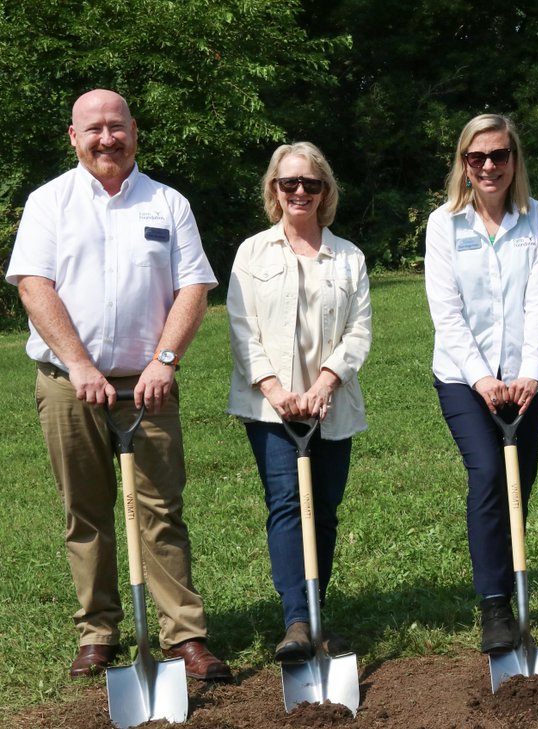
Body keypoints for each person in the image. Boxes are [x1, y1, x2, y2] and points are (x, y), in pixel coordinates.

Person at [5, 89, 231, 680]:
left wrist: (164, 361)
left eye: (117, 126)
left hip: (148, 387)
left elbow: (193, 288)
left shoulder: (168, 203)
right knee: (86, 511)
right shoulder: (49, 202)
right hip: (68, 383)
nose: (107, 138)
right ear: (73, 137)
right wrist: (80, 365)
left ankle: (184, 635)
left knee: (161, 510)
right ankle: (98, 633)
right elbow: (33, 285)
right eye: (94, 129)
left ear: (134, 131)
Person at [226, 142, 372, 661]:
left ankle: (315, 610)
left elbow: (359, 332)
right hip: (272, 408)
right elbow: (242, 330)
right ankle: (296, 621)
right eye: (289, 183)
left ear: (325, 190)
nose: (300, 192)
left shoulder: (349, 256)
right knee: (288, 505)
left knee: (324, 510)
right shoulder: (252, 253)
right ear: (275, 189)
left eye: (311, 183)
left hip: (331, 404)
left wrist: (324, 385)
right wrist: (276, 391)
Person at [424, 114, 538, 655]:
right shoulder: (444, 225)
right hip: (463, 377)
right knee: (486, 476)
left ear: (514, 160)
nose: (488, 166)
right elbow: (446, 311)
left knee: (518, 484)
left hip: (526, 378)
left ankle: (509, 582)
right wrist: (481, 377)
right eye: (476, 157)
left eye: (499, 155)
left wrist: (530, 373)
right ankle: (496, 606)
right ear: (463, 163)